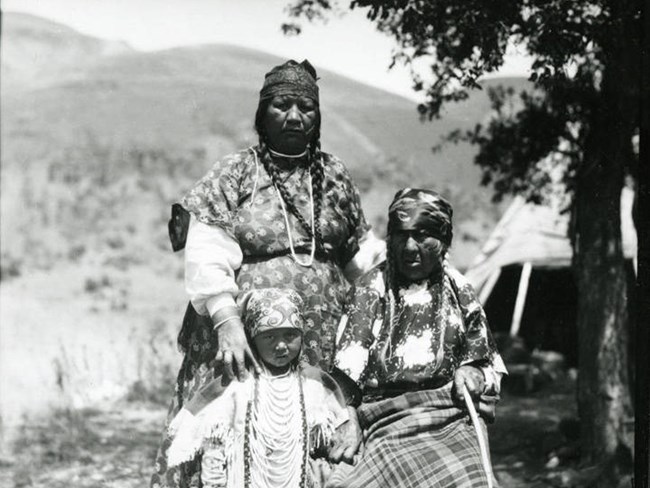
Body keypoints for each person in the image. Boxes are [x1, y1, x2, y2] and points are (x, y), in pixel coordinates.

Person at [151, 59, 383, 488]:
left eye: (305, 108)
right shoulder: (236, 171)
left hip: (317, 339)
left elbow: (358, 255)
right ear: (262, 114)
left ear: (317, 117)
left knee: (310, 445)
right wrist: (227, 321)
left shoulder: (333, 176)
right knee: (231, 444)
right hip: (242, 336)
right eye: (281, 105)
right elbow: (206, 249)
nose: (294, 117)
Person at [330, 188, 507, 488]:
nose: (410, 247)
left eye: (423, 235)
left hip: (450, 418)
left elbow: (488, 365)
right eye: (402, 235)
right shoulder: (369, 289)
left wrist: (474, 373)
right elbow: (345, 375)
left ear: (443, 241)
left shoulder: (460, 290)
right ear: (390, 239)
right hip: (385, 423)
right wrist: (348, 421)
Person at [165, 288, 350, 488]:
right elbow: (215, 444)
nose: (281, 345)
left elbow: (332, 438)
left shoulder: (313, 384)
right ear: (252, 338)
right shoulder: (236, 386)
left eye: (290, 335)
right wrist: (213, 483)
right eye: (269, 337)